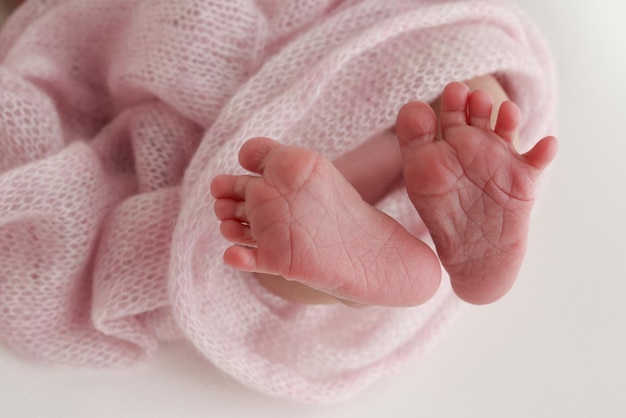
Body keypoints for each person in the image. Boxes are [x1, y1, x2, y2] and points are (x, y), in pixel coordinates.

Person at [211, 78, 557, 307]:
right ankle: (361, 265)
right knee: (471, 88)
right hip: (386, 78)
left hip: (305, 119)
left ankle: (359, 268)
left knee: (263, 234)